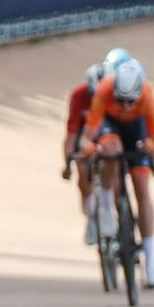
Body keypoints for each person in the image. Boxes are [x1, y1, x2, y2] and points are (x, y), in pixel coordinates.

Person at [80, 58, 154, 288]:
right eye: (121, 100)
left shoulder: (147, 95)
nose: (126, 106)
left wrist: (153, 149)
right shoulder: (105, 89)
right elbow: (87, 134)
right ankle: (106, 207)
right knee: (110, 152)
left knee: (142, 188)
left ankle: (150, 262)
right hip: (111, 128)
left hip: (137, 130)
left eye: (130, 101)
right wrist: (89, 147)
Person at [63, 62, 105, 244]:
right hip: (85, 134)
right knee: (82, 168)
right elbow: (71, 134)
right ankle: (91, 217)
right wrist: (68, 163)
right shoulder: (78, 96)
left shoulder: (113, 96)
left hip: (106, 133)